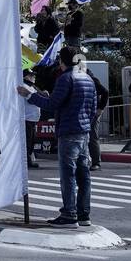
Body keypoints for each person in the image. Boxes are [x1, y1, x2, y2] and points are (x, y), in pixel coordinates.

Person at [20, 47, 96, 228]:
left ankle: (69, 214)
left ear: (62, 61)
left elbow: (53, 103)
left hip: (69, 131)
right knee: (83, 174)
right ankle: (83, 214)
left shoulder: (65, 78)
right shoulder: (87, 78)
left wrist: (30, 95)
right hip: (84, 131)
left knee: (68, 174)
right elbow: (93, 108)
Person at [88, 70, 109, 173]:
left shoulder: (91, 79)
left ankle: (96, 162)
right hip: (86, 111)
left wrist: (100, 109)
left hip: (94, 112)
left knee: (92, 136)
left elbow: (105, 92)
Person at [21, 68, 41, 169]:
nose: (34, 77)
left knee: (32, 141)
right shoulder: (24, 86)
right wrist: (41, 95)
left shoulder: (32, 87)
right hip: (27, 118)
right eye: (31, 75)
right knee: (28, 142)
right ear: (25, 76)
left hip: (32, 119)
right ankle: (27, 161)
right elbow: (31, 100)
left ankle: (28, 159)